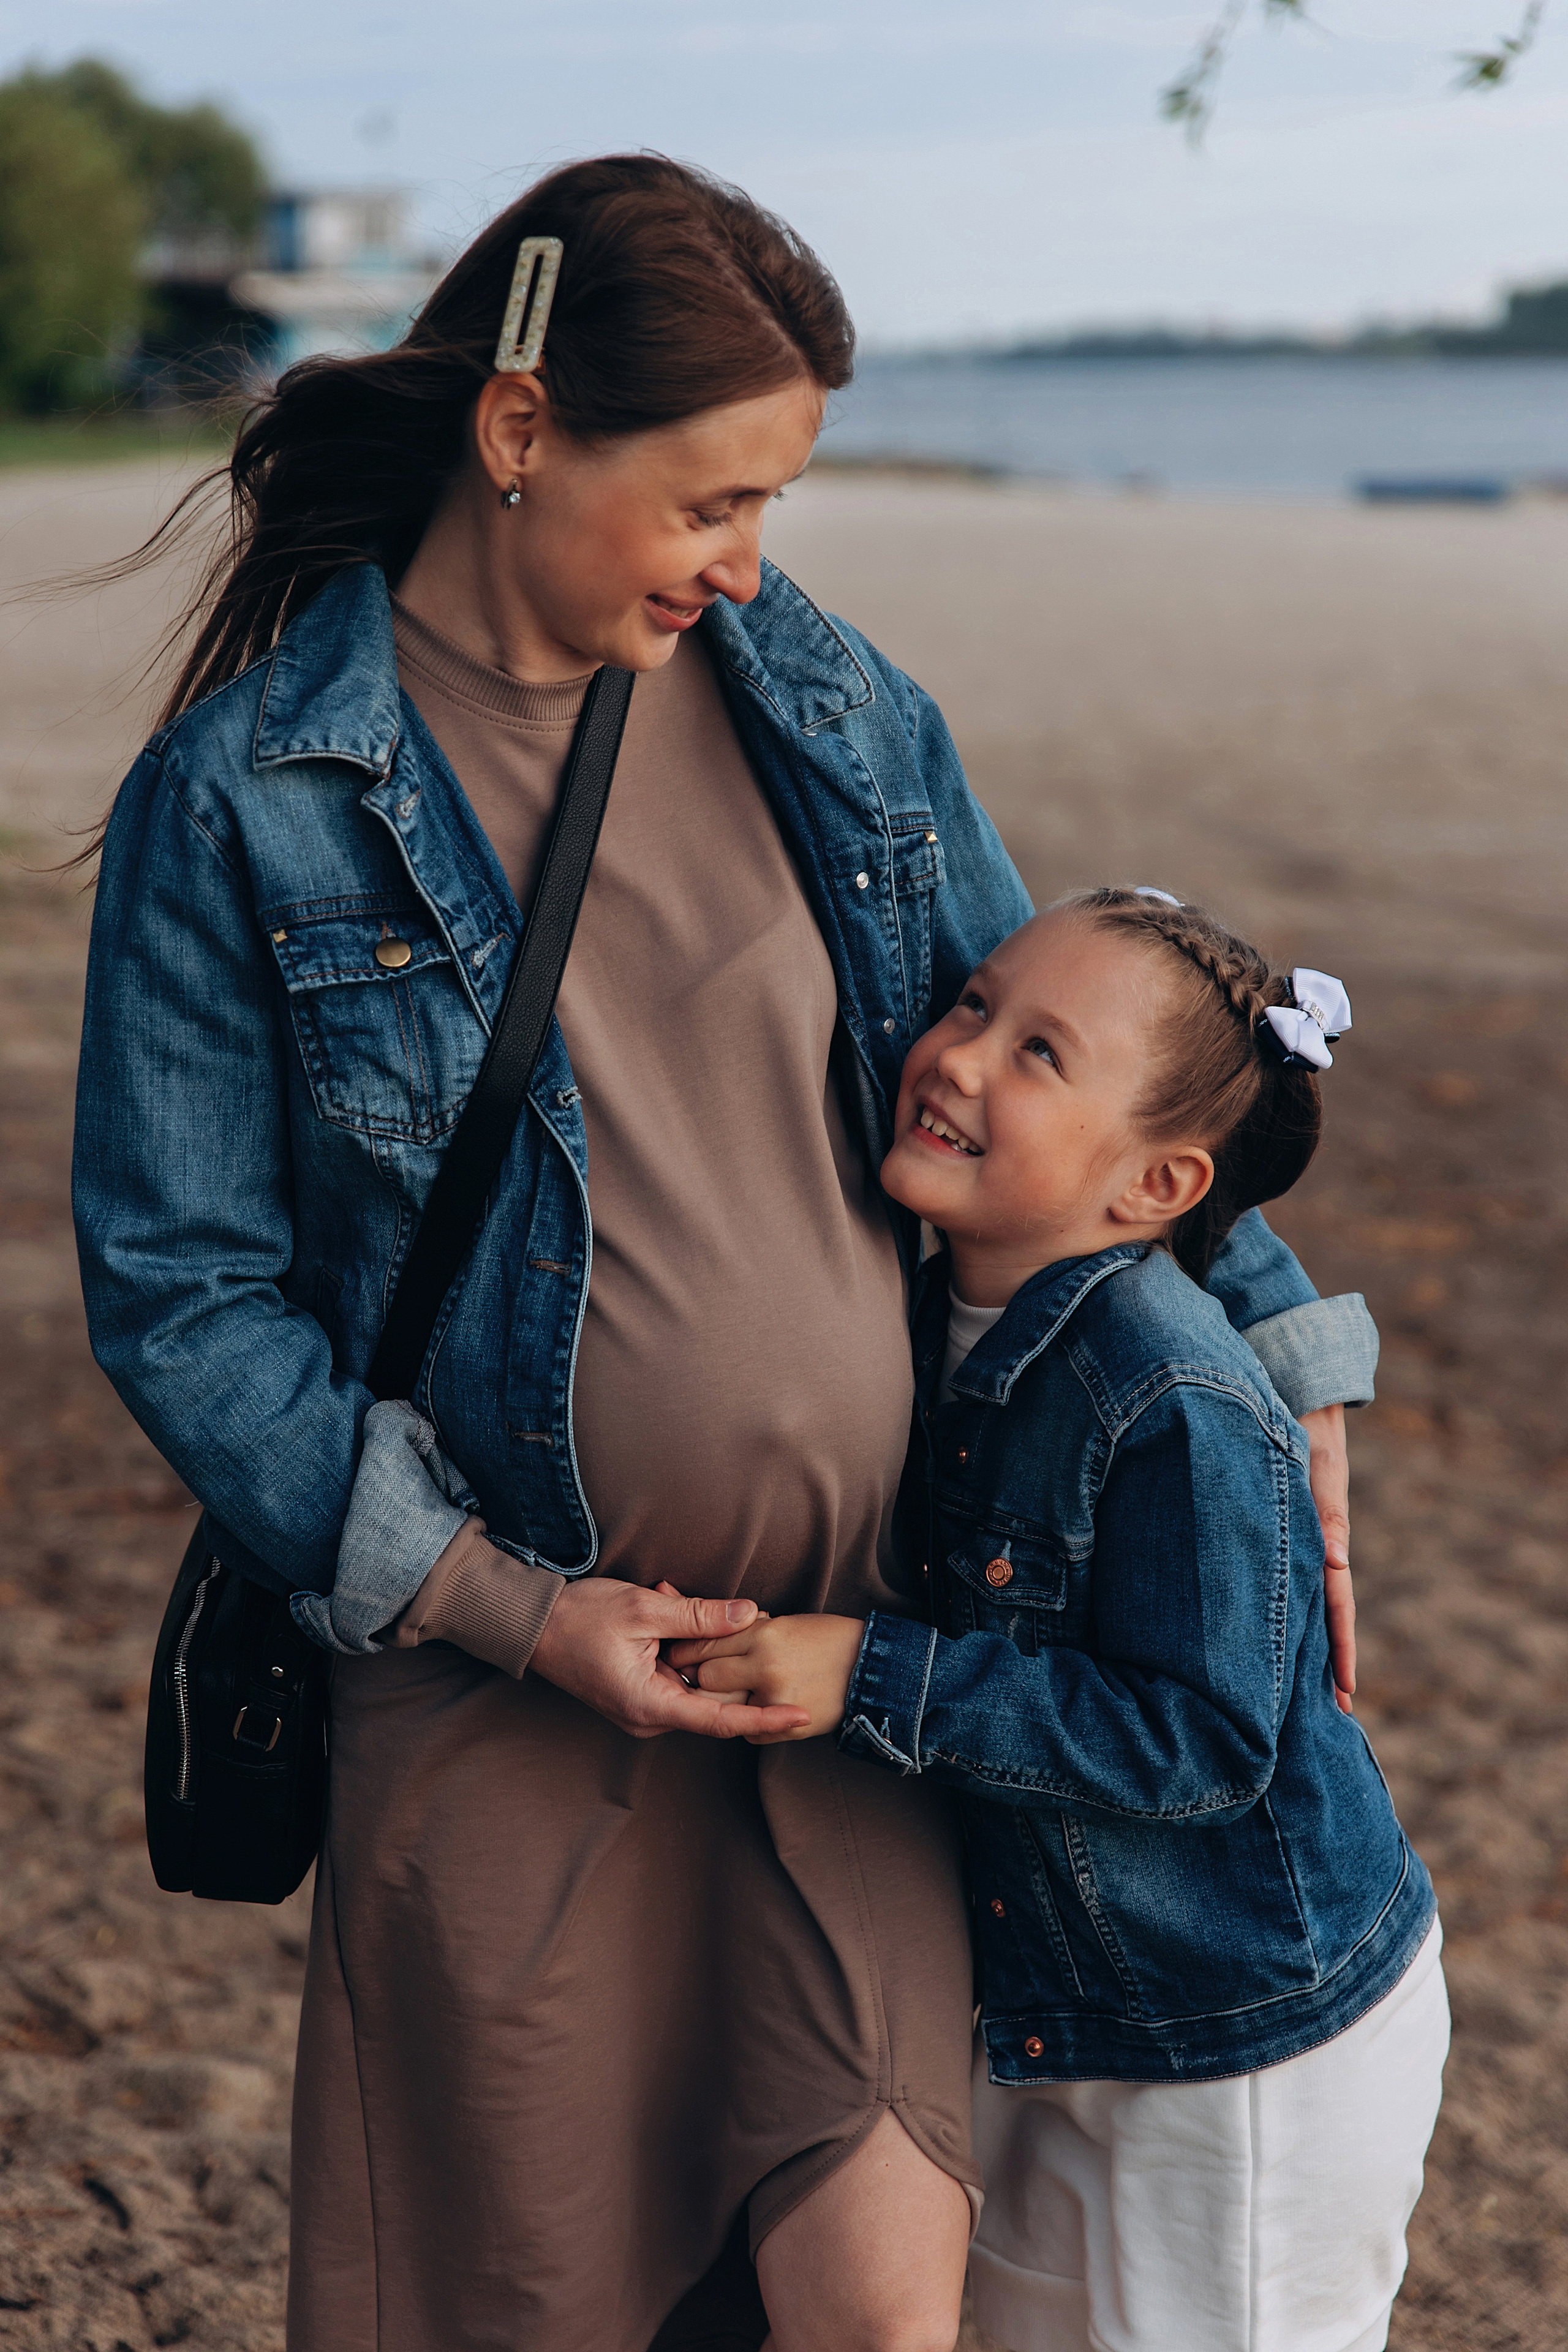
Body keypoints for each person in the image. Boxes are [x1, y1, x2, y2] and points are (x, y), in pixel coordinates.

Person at [72, 154, 1378, 2352]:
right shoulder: (249, 803)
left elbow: (1076, 1056)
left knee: (877, 2314)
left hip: (838, 1677)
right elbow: (186, 1303)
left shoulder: (813, 694)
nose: (744, 561)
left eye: (772, 502)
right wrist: (513, 1607)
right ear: (518, 437)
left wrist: (1273, 1362)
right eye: (709, 501)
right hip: (502, 1714)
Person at [676, 888, 1445, 2352]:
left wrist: (866, 1675)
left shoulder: (1168, 1395)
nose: (959, 1056)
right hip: (1063, 2007)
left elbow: (1201, 1741)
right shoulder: (920, 1309)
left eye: (1039, 1054)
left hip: (1242, 2038)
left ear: (1155, 1188)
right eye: (973, 1006)